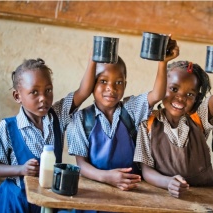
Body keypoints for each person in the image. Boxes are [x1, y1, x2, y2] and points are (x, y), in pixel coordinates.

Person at [66, 38, 179, 195]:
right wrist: (107, 177)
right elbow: (81, 165)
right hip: (96, 190)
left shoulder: (130, 109)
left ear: (125, 85)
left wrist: (163, 63)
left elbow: (157, 94)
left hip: (132, 190)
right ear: (92, 84)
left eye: (118, 83)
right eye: (103, 81)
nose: (111, 89)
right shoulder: (81, 119)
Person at [133, 47, 213, 198]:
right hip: (164, 195)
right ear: (162, 88)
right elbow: (146, 170)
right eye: (174, 89)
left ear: (196, 98)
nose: (180, 98)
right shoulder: (147, 123)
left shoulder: (198, 118)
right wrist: (168, 182)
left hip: (206, 197)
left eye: (189, 94)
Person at [0, 55, 96, 213]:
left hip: (48, 200)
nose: (43, 98)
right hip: (16, 202)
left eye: (48, 90)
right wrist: (20, 170)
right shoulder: (7, 128)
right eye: (34, 92)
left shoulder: (58, 116)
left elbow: (84, 91)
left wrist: (93, 58)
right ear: (17, 96)